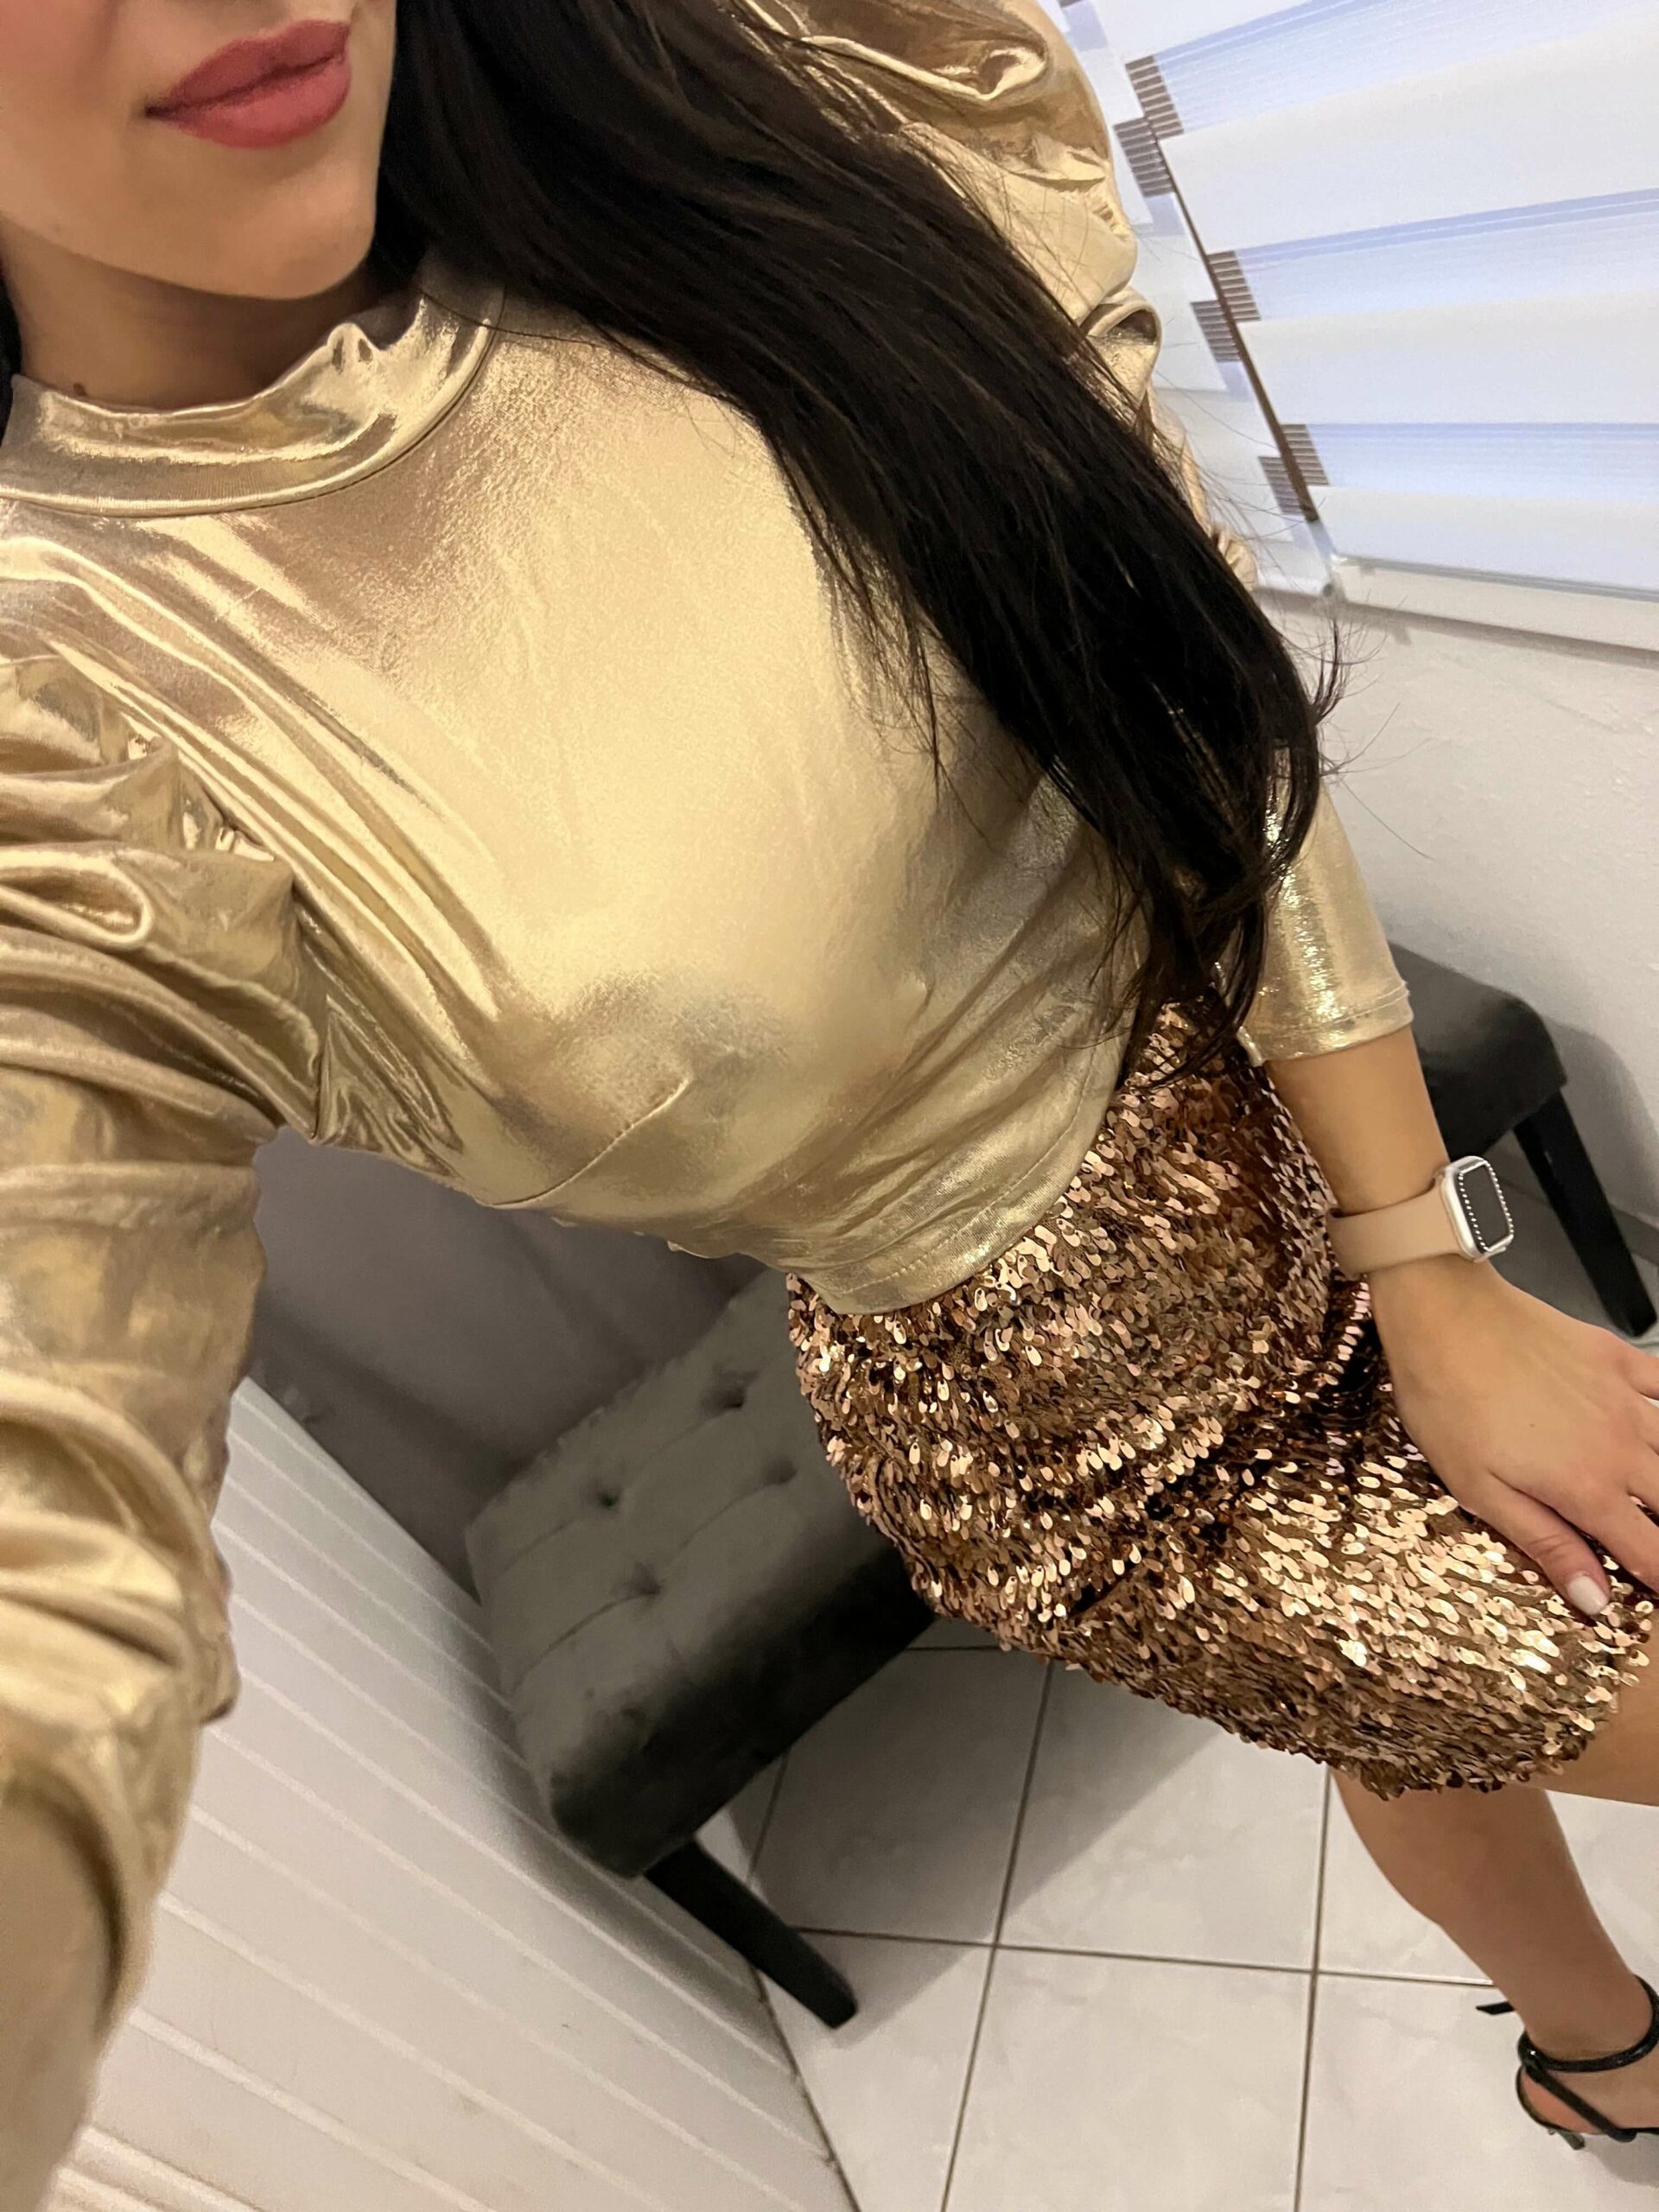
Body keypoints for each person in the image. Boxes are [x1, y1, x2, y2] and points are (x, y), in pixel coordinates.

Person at [1, 0, 1657, 2196]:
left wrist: (1421, 1263)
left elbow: (1177, 687)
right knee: (1462, 1662)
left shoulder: (743, 121)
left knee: (1414, 1702)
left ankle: (1597, 2055)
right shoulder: (62, 727)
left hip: (1295, 1141)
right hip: (1087, 1446)